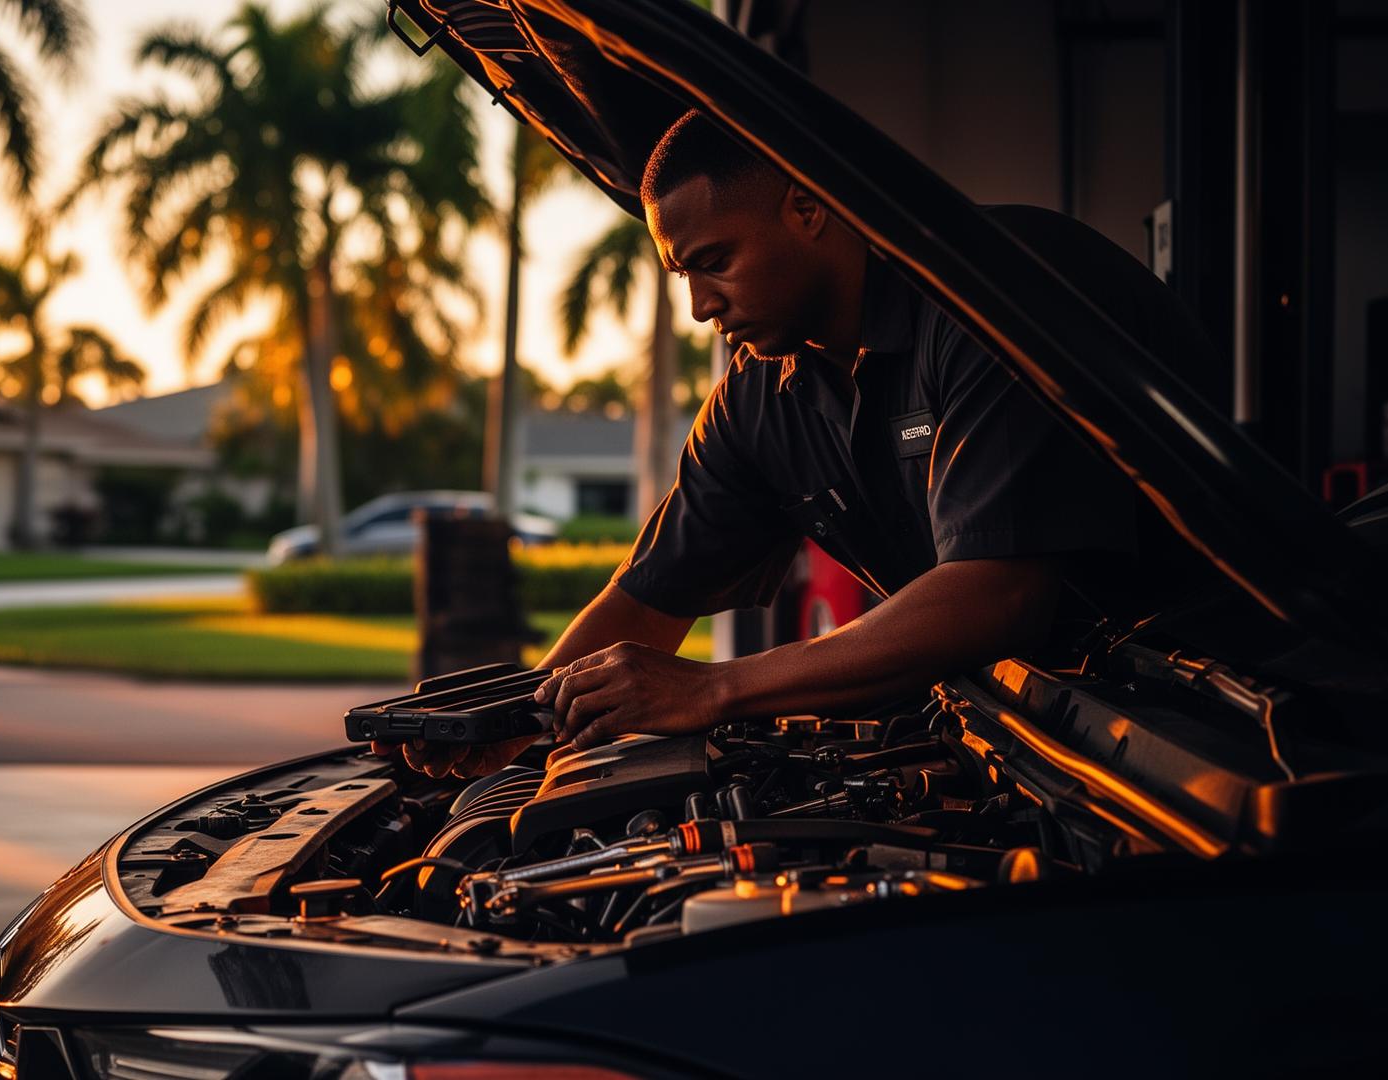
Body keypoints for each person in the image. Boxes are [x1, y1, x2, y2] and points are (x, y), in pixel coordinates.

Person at [381, 109, 1214, 779]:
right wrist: (520, 723)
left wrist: (714, 689)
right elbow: (647, 601)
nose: (701, 307)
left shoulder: (989, 295)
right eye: (684, 277)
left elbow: (1000, 594)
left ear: (807, 209)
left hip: (1208, 736)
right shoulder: (757, 399)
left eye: (716, 262)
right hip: (1025, 737)